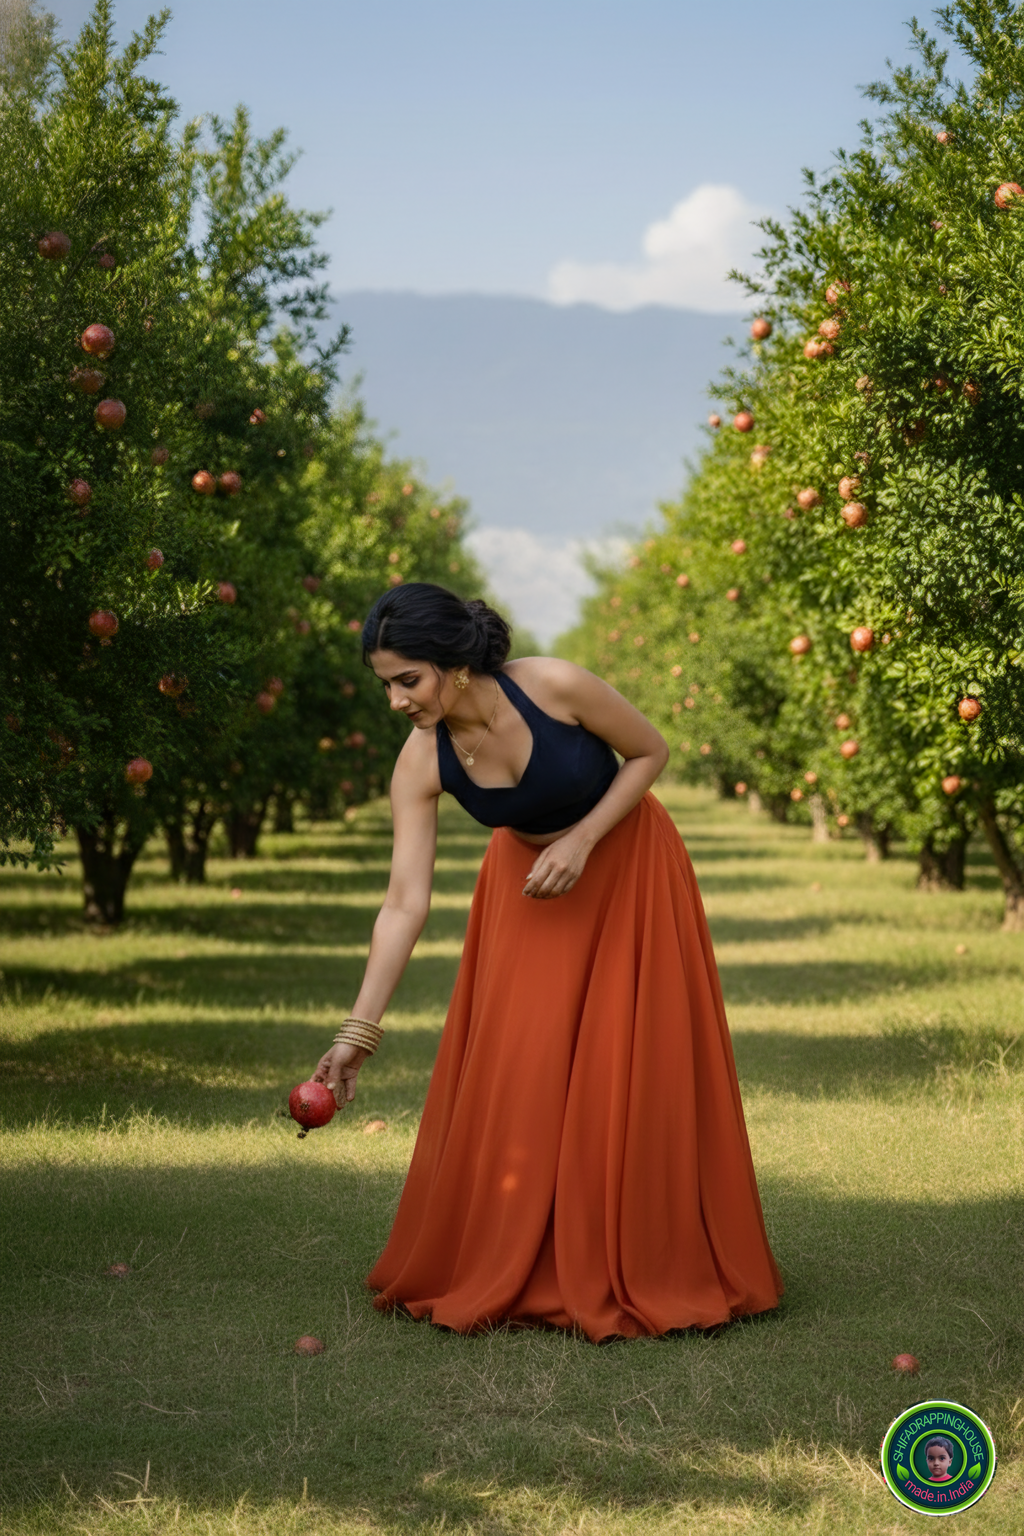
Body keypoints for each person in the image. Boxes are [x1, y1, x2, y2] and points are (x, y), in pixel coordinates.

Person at [313, 583, 782, 1341]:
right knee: (527, 1071)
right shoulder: (421, 761)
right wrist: (356, 1032)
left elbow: (649, 751)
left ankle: (641, 1258)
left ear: (456, 666)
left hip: (627, 867)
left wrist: (582, 838)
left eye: (408, 680)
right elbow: (403, 902)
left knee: (629, 1068)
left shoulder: (555, 685)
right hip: (528, 898)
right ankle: (532, 1261)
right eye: (386, 685)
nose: (397, 700)